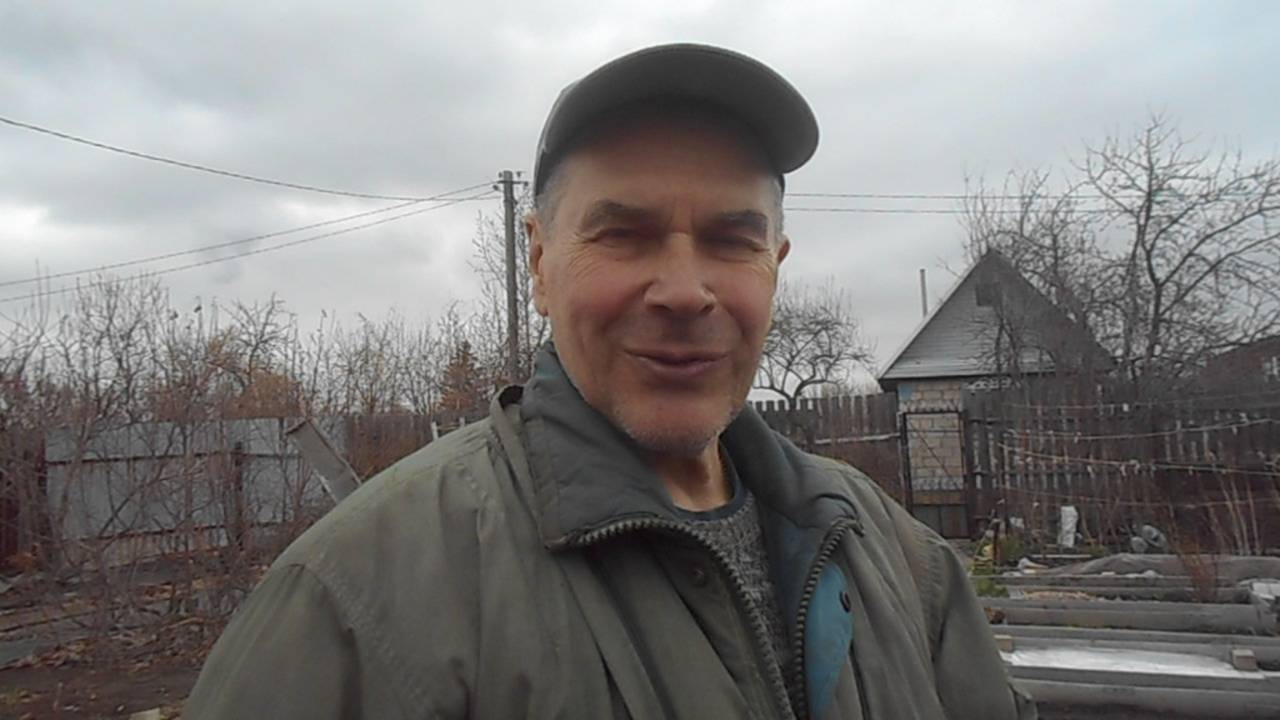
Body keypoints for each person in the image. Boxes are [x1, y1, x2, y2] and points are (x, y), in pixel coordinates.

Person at [185, 43, 1036, 720]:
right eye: (623, 235)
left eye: (731, 240)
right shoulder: (358, 602)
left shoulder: (896, 558)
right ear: (539, 262)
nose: (685, 291)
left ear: (774, 264)